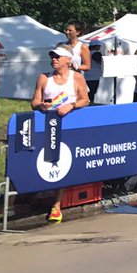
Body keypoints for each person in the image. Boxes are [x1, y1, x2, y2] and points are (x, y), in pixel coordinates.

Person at [32, 45, 91, 223]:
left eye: (58, 57)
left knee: (62, 161)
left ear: (68, 60)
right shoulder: (44, 77)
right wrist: (41, 106)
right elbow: (34, 101)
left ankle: (56, 205)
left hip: (69, 126)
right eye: (52, 56)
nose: (54, 59)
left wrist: (71, 106)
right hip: (47, 125)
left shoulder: (76, 77)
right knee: (43, 160)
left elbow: (85, 99)